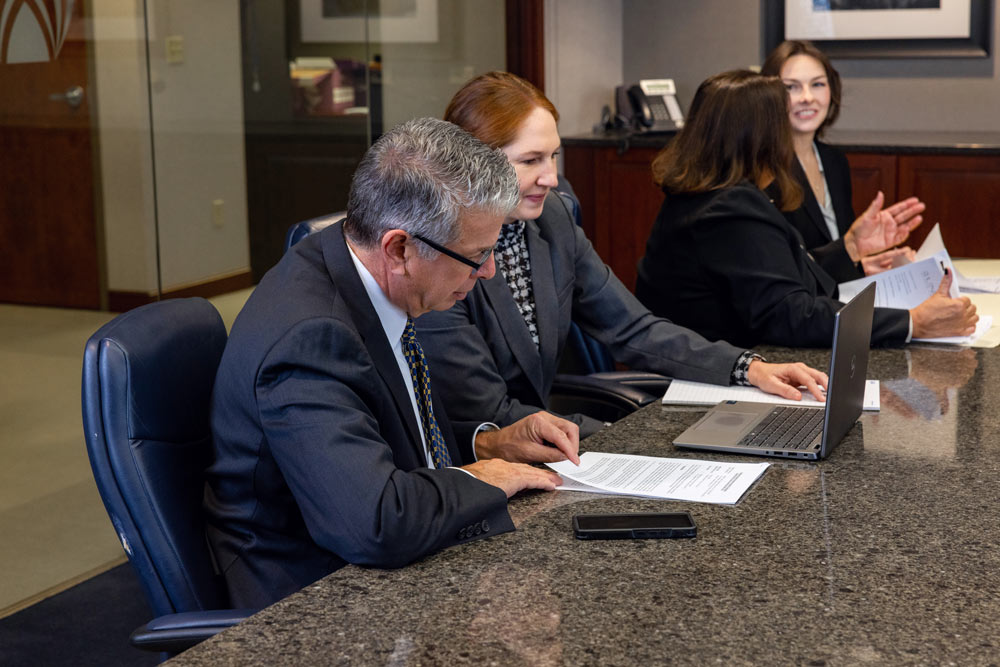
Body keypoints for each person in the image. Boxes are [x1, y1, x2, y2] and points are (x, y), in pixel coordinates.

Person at [204, 118, 583, 609]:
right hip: (309, 596)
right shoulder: (310, 340)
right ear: (400, 248)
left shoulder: (366, 272)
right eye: (478, 255)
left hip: (379, 559)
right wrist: (481, 477)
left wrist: (488, 442)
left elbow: (396, 426)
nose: (488, 271)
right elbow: (374, 523)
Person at [416, 71, 828, 439]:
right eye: (530, 161)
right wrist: (637, 440)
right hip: (483, 461)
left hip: (551, 441)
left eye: (554, 156)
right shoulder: (436, 255)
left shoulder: (551, 218)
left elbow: (633, 327)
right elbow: (489, 414)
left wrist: (747, 368)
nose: (552, 178)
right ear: (475, 165)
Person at [634, 70, 977, 349]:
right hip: (714, 379)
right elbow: (789, 314)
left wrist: (850, 250)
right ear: (761, 137)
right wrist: (913, 322)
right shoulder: (727, 209)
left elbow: (774, 275)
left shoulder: (713, 194)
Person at [761, 40, 925, 280]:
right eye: (791, 87)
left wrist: (862, 264)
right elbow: (781, 269)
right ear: (766, 95)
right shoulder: (763, 170)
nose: (807, 97)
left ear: (832, 91)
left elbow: (833, 251)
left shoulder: (834, 160)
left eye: (817, 84)